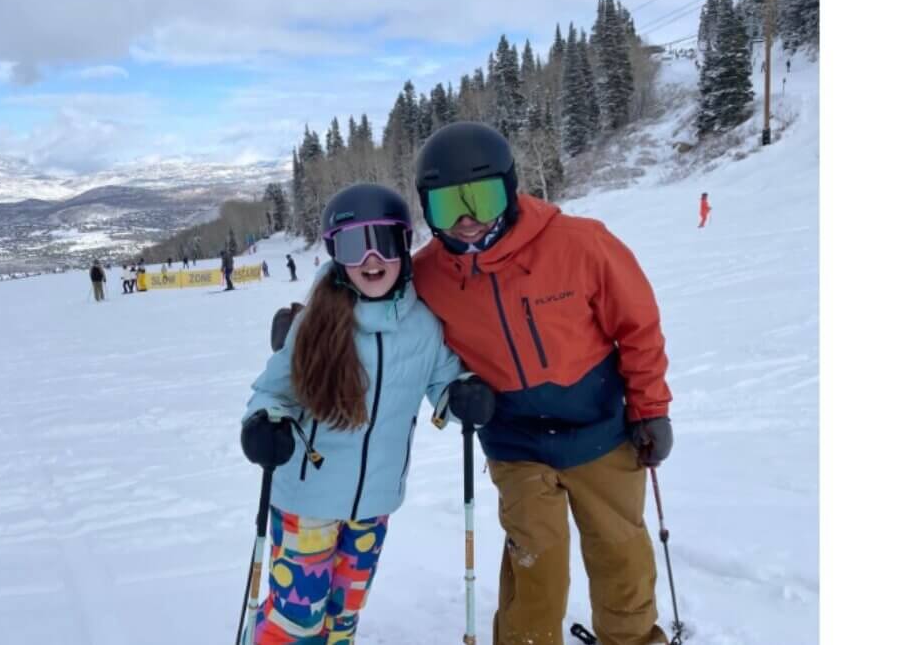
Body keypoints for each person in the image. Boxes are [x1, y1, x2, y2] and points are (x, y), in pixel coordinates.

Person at [412, 122, 674, 645]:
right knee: (537, 562)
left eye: (480, 199)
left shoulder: (579, 245)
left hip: (600, 426)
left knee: (620, 551)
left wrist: (651, 409)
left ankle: (633, 638)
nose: (466, 220)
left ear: (509, 190)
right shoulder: (427, 275)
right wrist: (307, 323)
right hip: (515, 440)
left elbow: (637, 327)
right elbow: (370, 302)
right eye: (447, 207)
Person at [239, 183, 494, 644]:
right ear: (338, 255)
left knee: (343, 616)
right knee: (297, 621)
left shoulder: (422, 325)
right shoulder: (316, 321)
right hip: (307, 502)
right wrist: (263, 423)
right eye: (355, 245)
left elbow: (442, 383)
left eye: (385, 241)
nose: (371, 258)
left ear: (404, 245)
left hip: (374, 507)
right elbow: (271, 391)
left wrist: (462, 396)